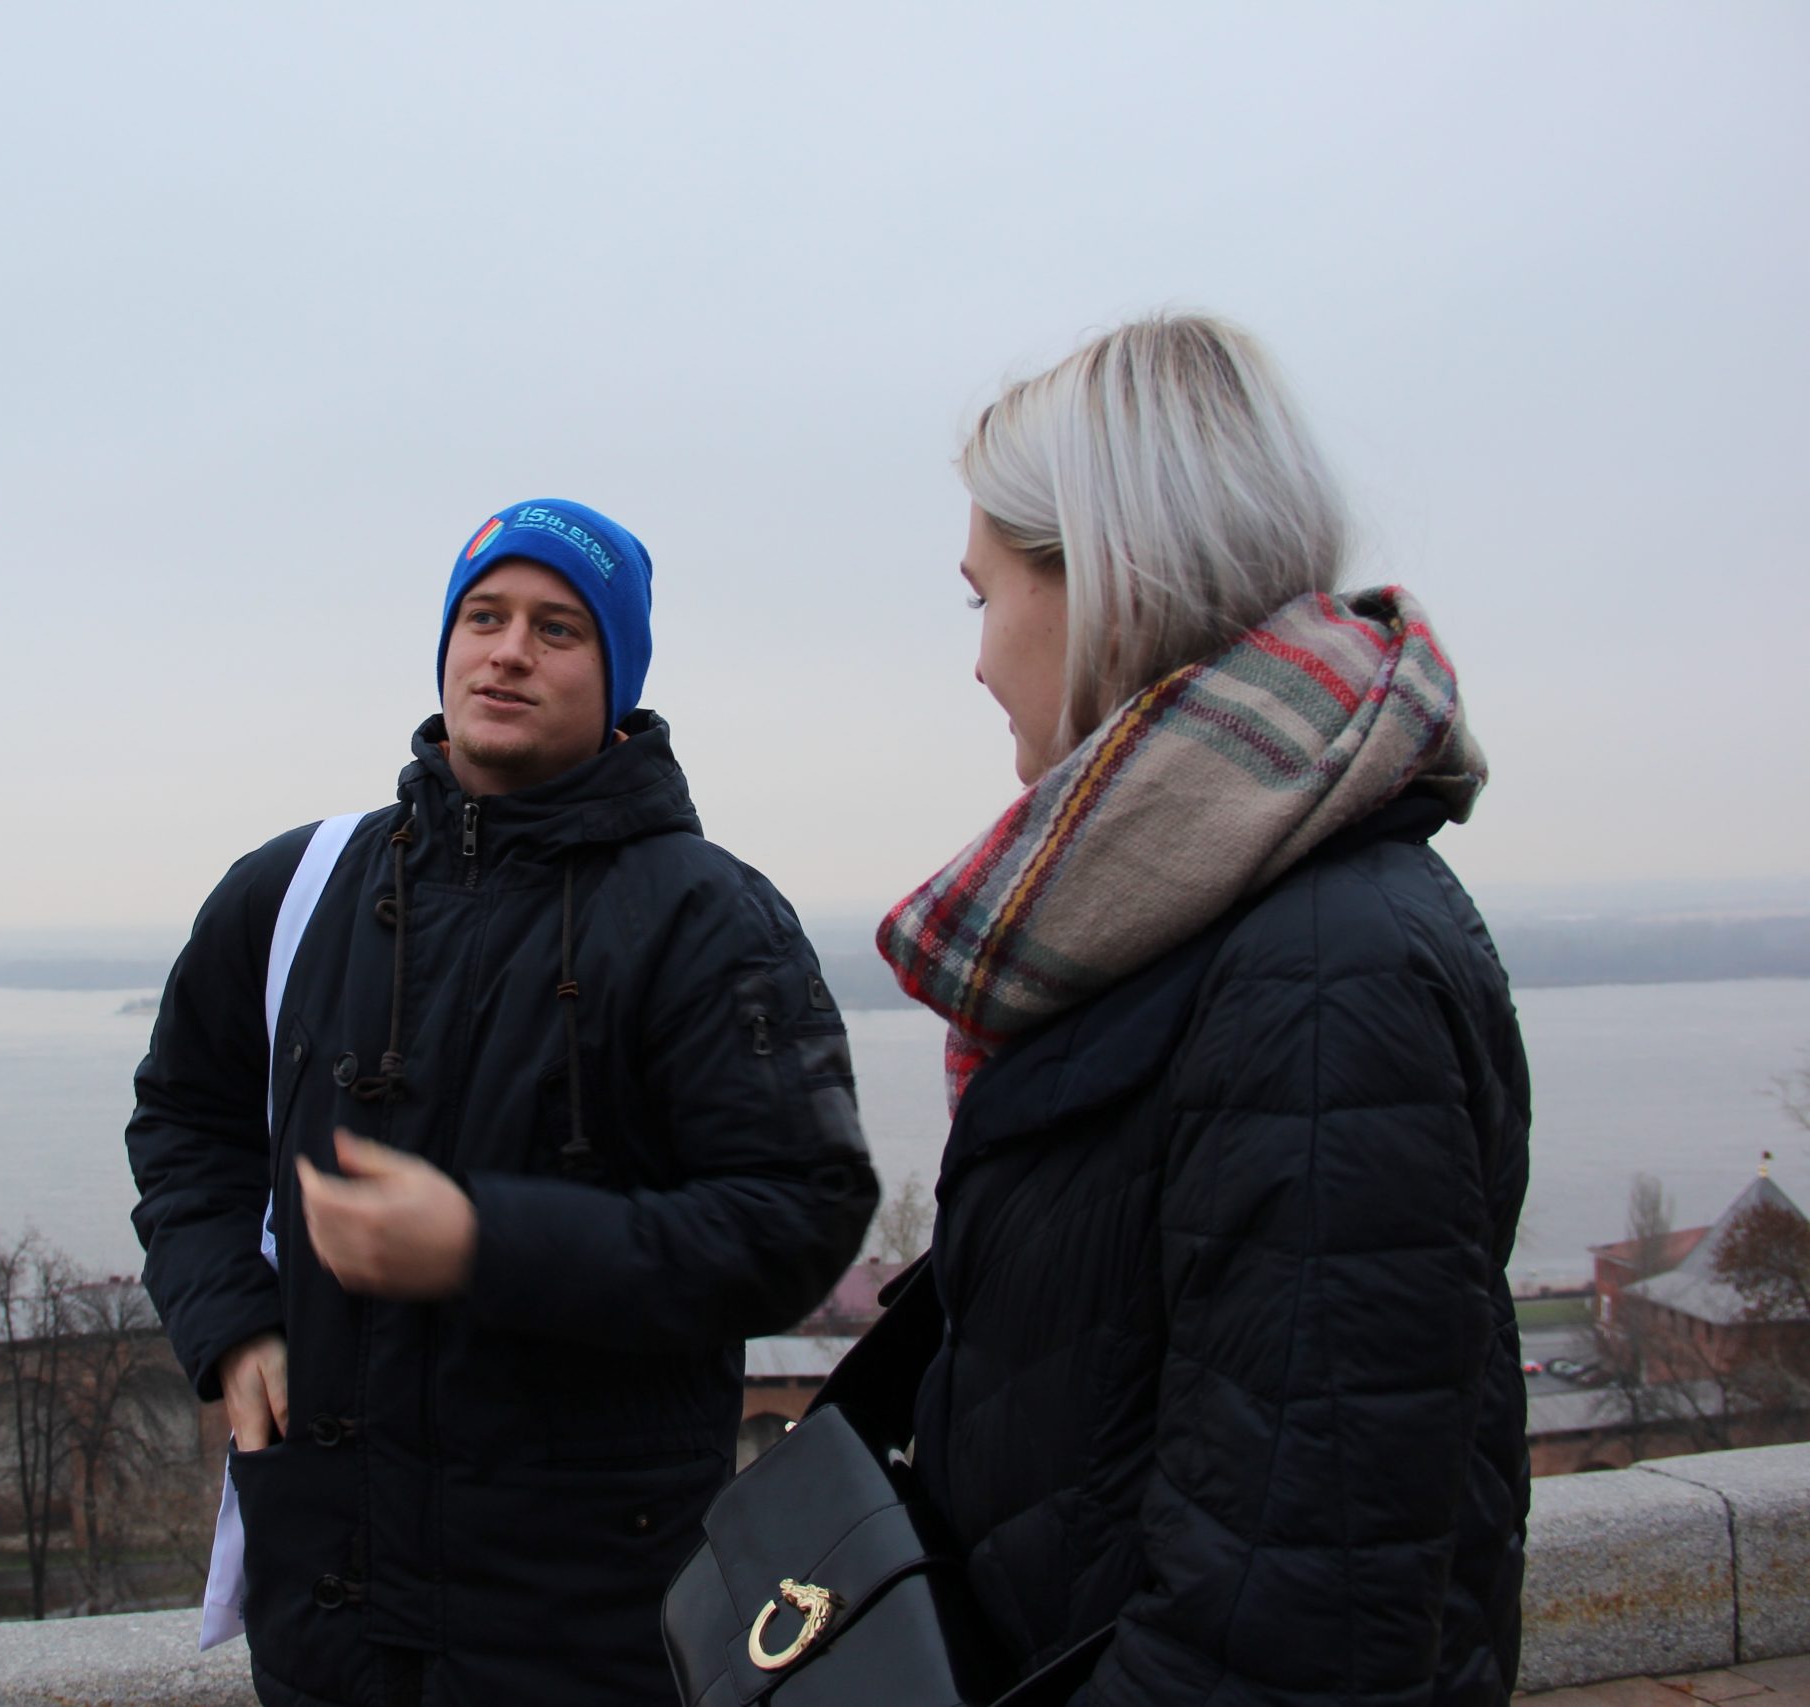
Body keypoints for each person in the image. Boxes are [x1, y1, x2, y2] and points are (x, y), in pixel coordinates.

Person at [127, 497, 880, 1707]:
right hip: (328, 1624)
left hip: (588, 1630)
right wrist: (231, 1321)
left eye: (557, 628)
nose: (508, 651)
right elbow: (184, 1118)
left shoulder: (707, 919)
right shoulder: (296, 890)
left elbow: (796, 1217)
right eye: (482, 617)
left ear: (617, 680)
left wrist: (483, 1244)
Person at [875, 315, 1530, 1703]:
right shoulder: (1191, 922)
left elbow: (1292, 1632)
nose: (978, 661)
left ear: (1104, 580)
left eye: (982, 598)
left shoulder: (1321, 978)